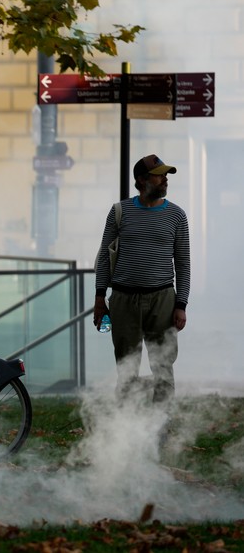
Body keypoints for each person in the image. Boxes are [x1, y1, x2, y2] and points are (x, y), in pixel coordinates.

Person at [93, 154, 191, 404]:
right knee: (126, 368)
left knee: (163, 368)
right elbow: (105, 256)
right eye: (160, 175)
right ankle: (126, 426)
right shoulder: (119, 211)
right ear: (142, 180)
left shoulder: (177, 216)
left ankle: (161, 424)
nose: (165, 180)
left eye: (166, 175)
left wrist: (181, 305)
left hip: (162, 299)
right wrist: (100, 298)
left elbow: (182, 263)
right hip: (124, 300)